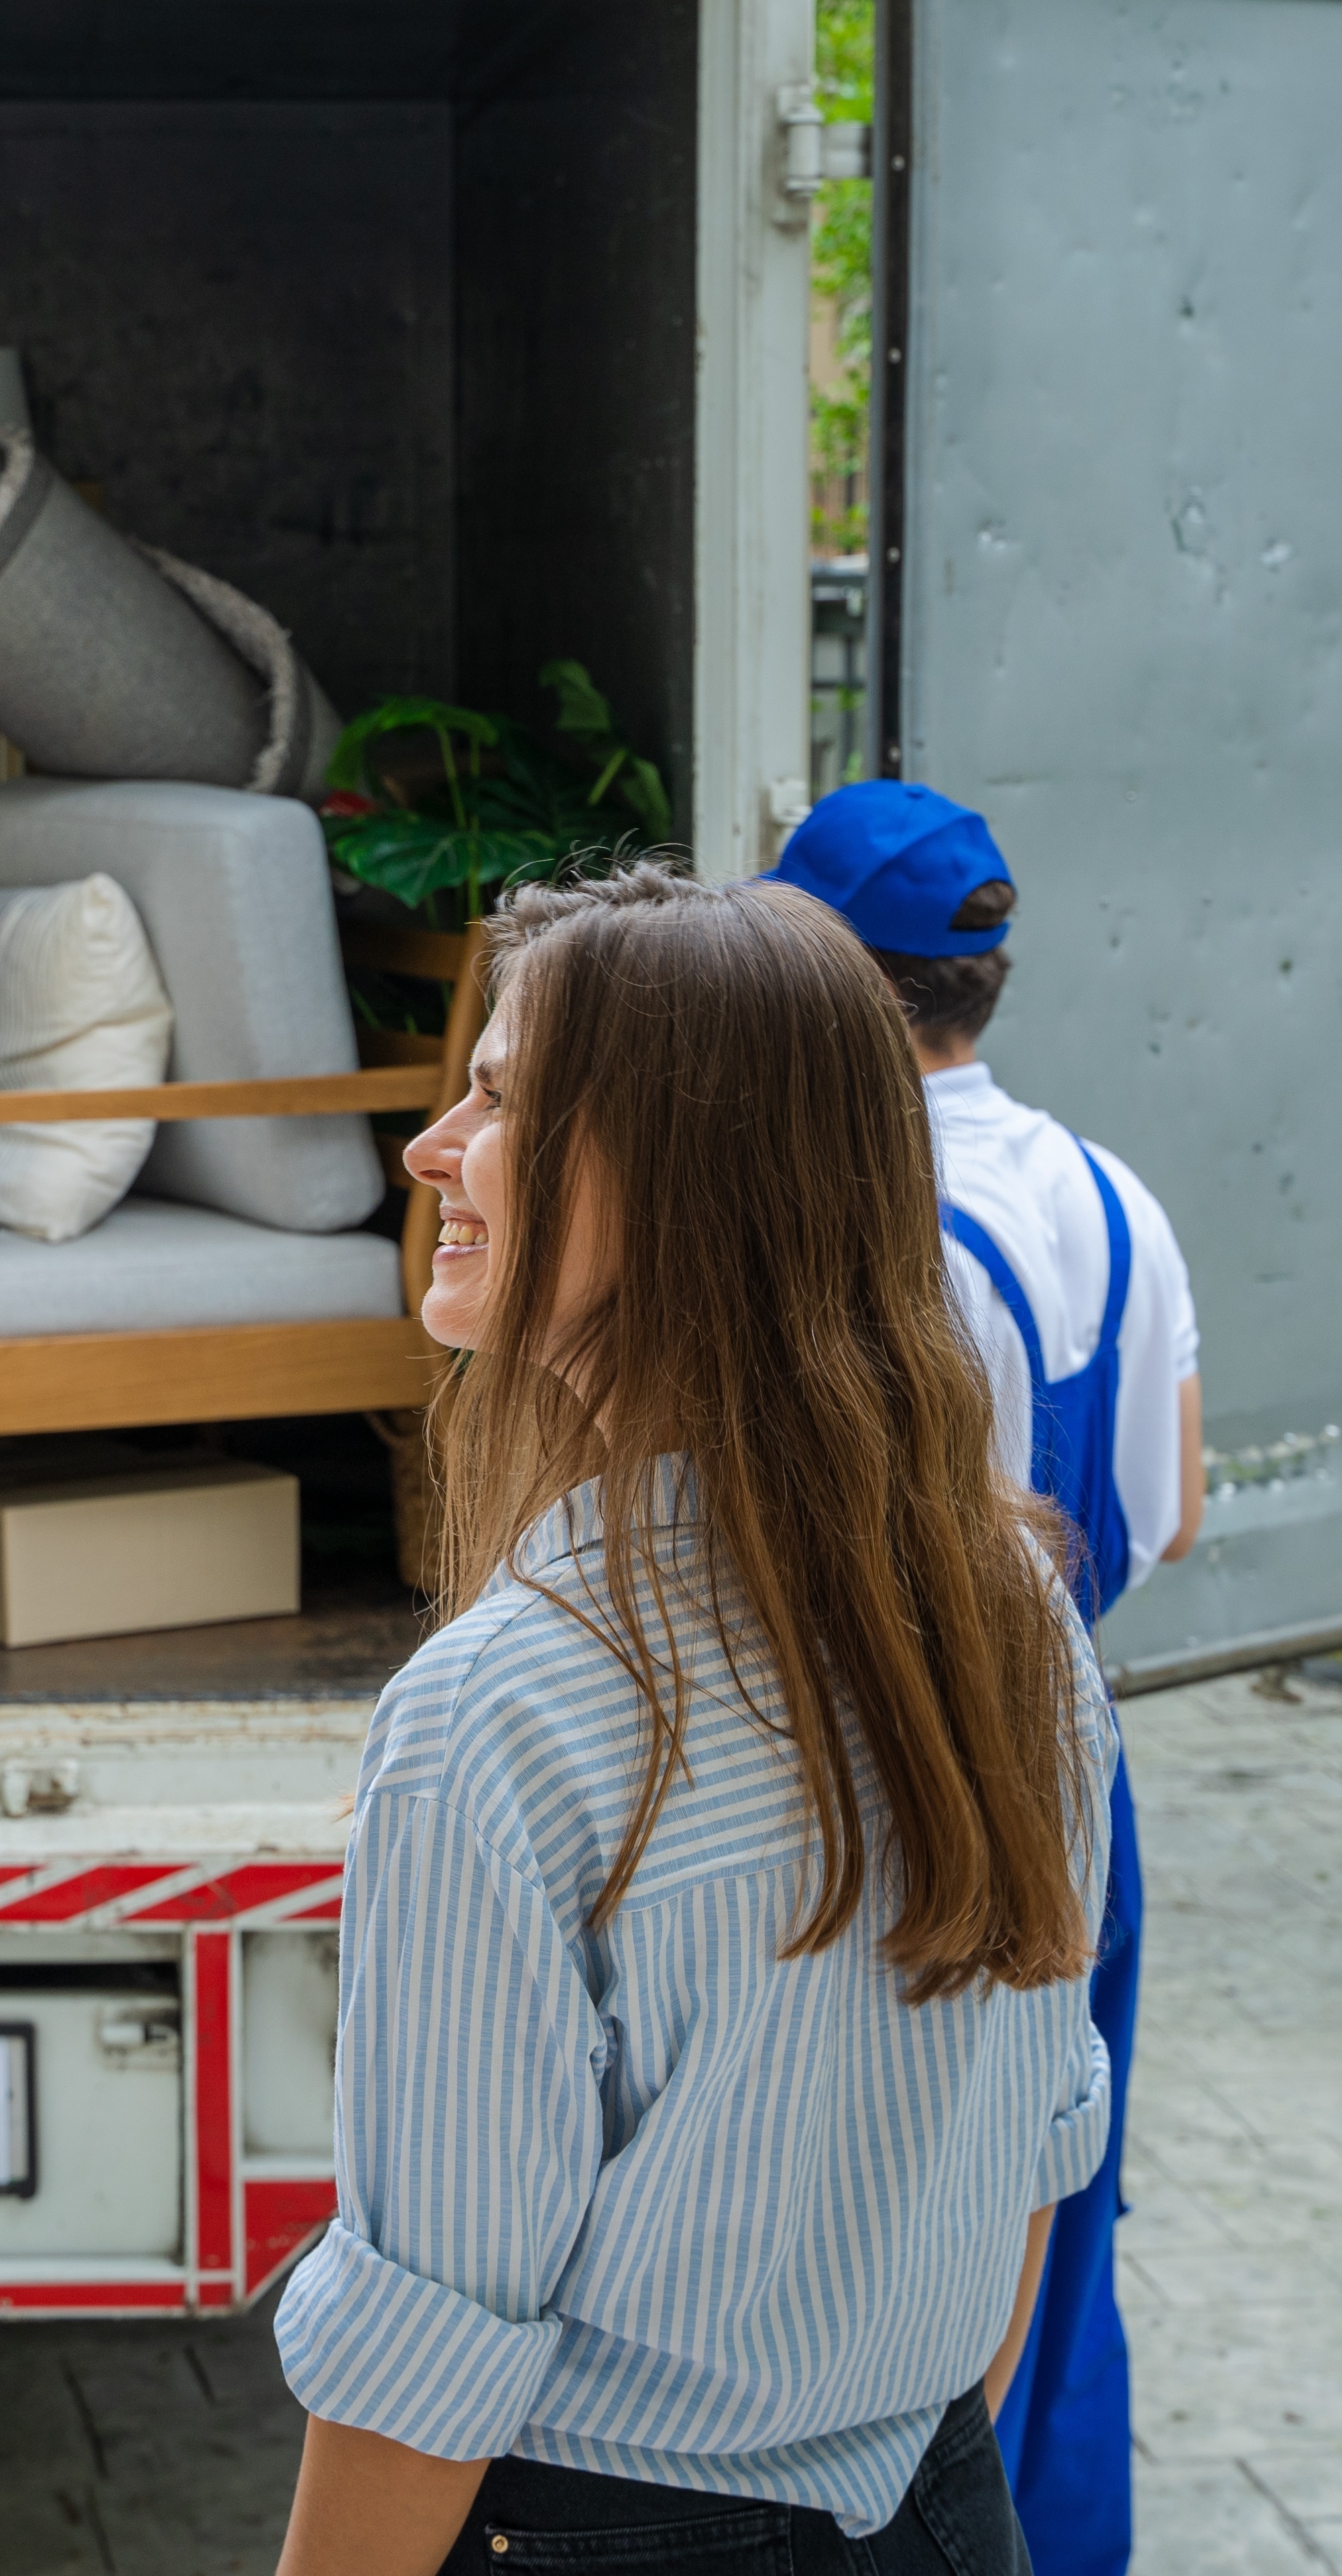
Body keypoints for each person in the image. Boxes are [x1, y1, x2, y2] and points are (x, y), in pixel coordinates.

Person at [271, 864, 1113, 2576]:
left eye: (501, 1099)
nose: (432, 1146)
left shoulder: (500, 1711)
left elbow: (426, 2343)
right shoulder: (1013, 1608)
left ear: (673, 1178)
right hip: (940, 2509)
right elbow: (1034, 2142)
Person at [772, 778, 1205, 2576]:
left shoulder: (843, 1223)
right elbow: (1171, 1513)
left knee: (881, 2265)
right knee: (1062, 2215)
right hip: (1073, 1762)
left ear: (831, 986)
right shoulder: (1120, 1199)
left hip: (893, 1773)